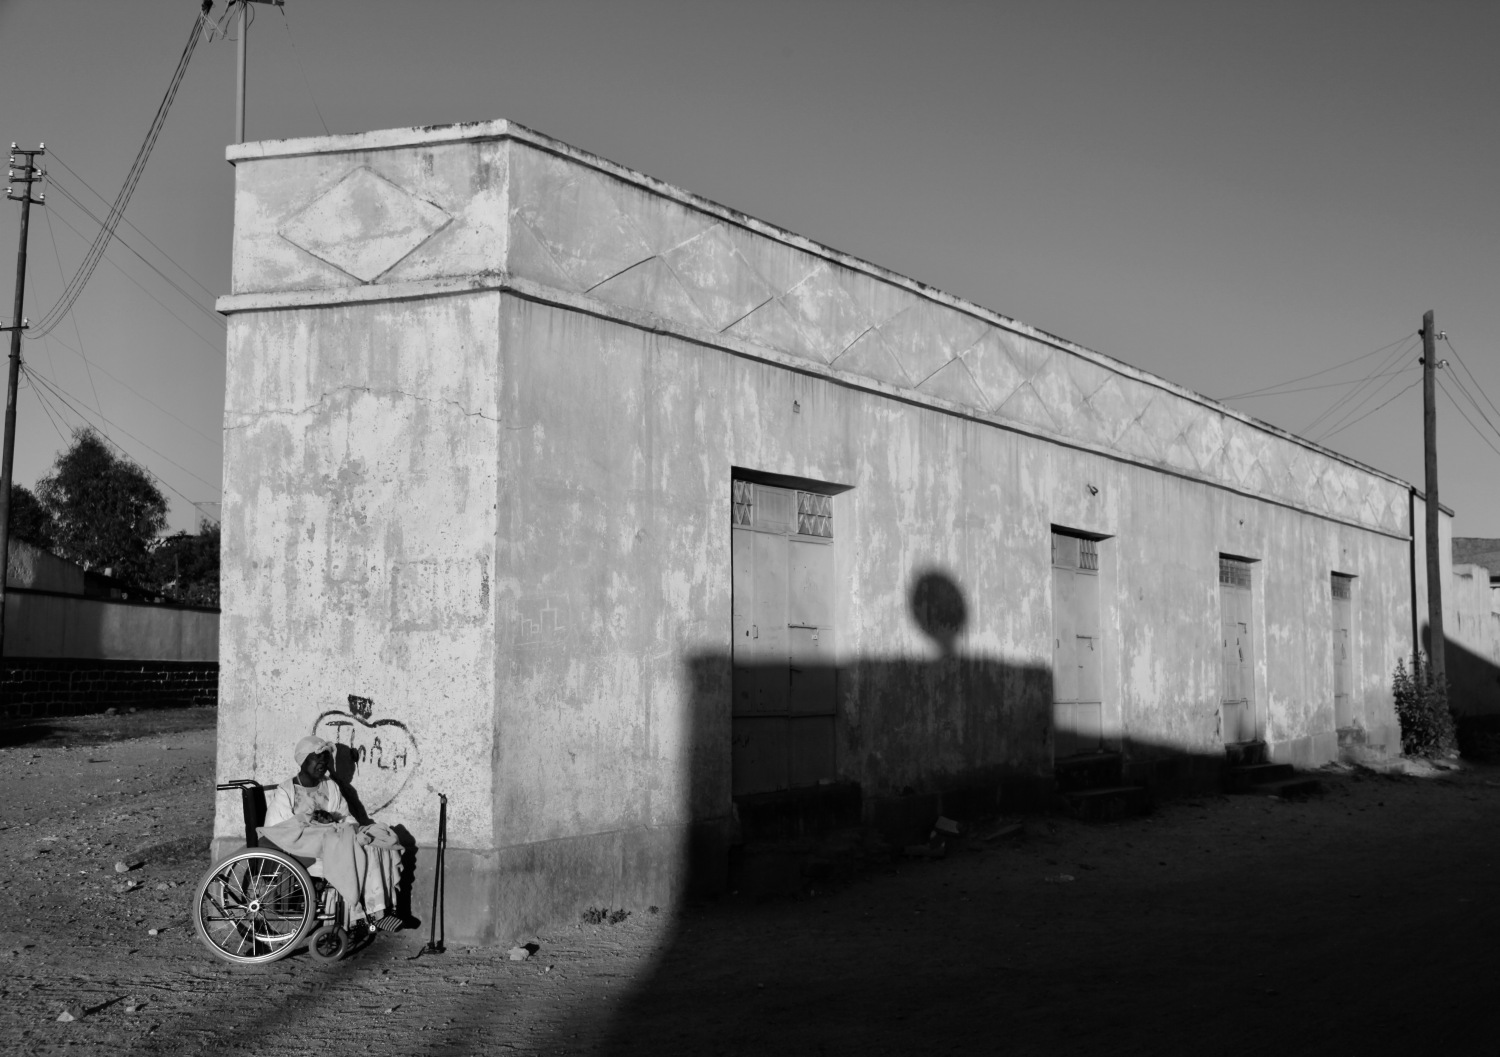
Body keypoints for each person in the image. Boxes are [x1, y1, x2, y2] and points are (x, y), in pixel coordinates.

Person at [260, 735, 403, 933]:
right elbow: (279, 831)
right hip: (304, 849)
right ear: (303, 760)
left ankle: (378, 912)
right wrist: (312, 820)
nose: (322, 763)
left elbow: (347, 818)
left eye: (325, 758)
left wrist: (333, 820)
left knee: (375, 845)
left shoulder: (331, 787)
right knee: (353, 853)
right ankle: (362, 914)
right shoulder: (287, 791)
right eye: (316, 758)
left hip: (335, 840)